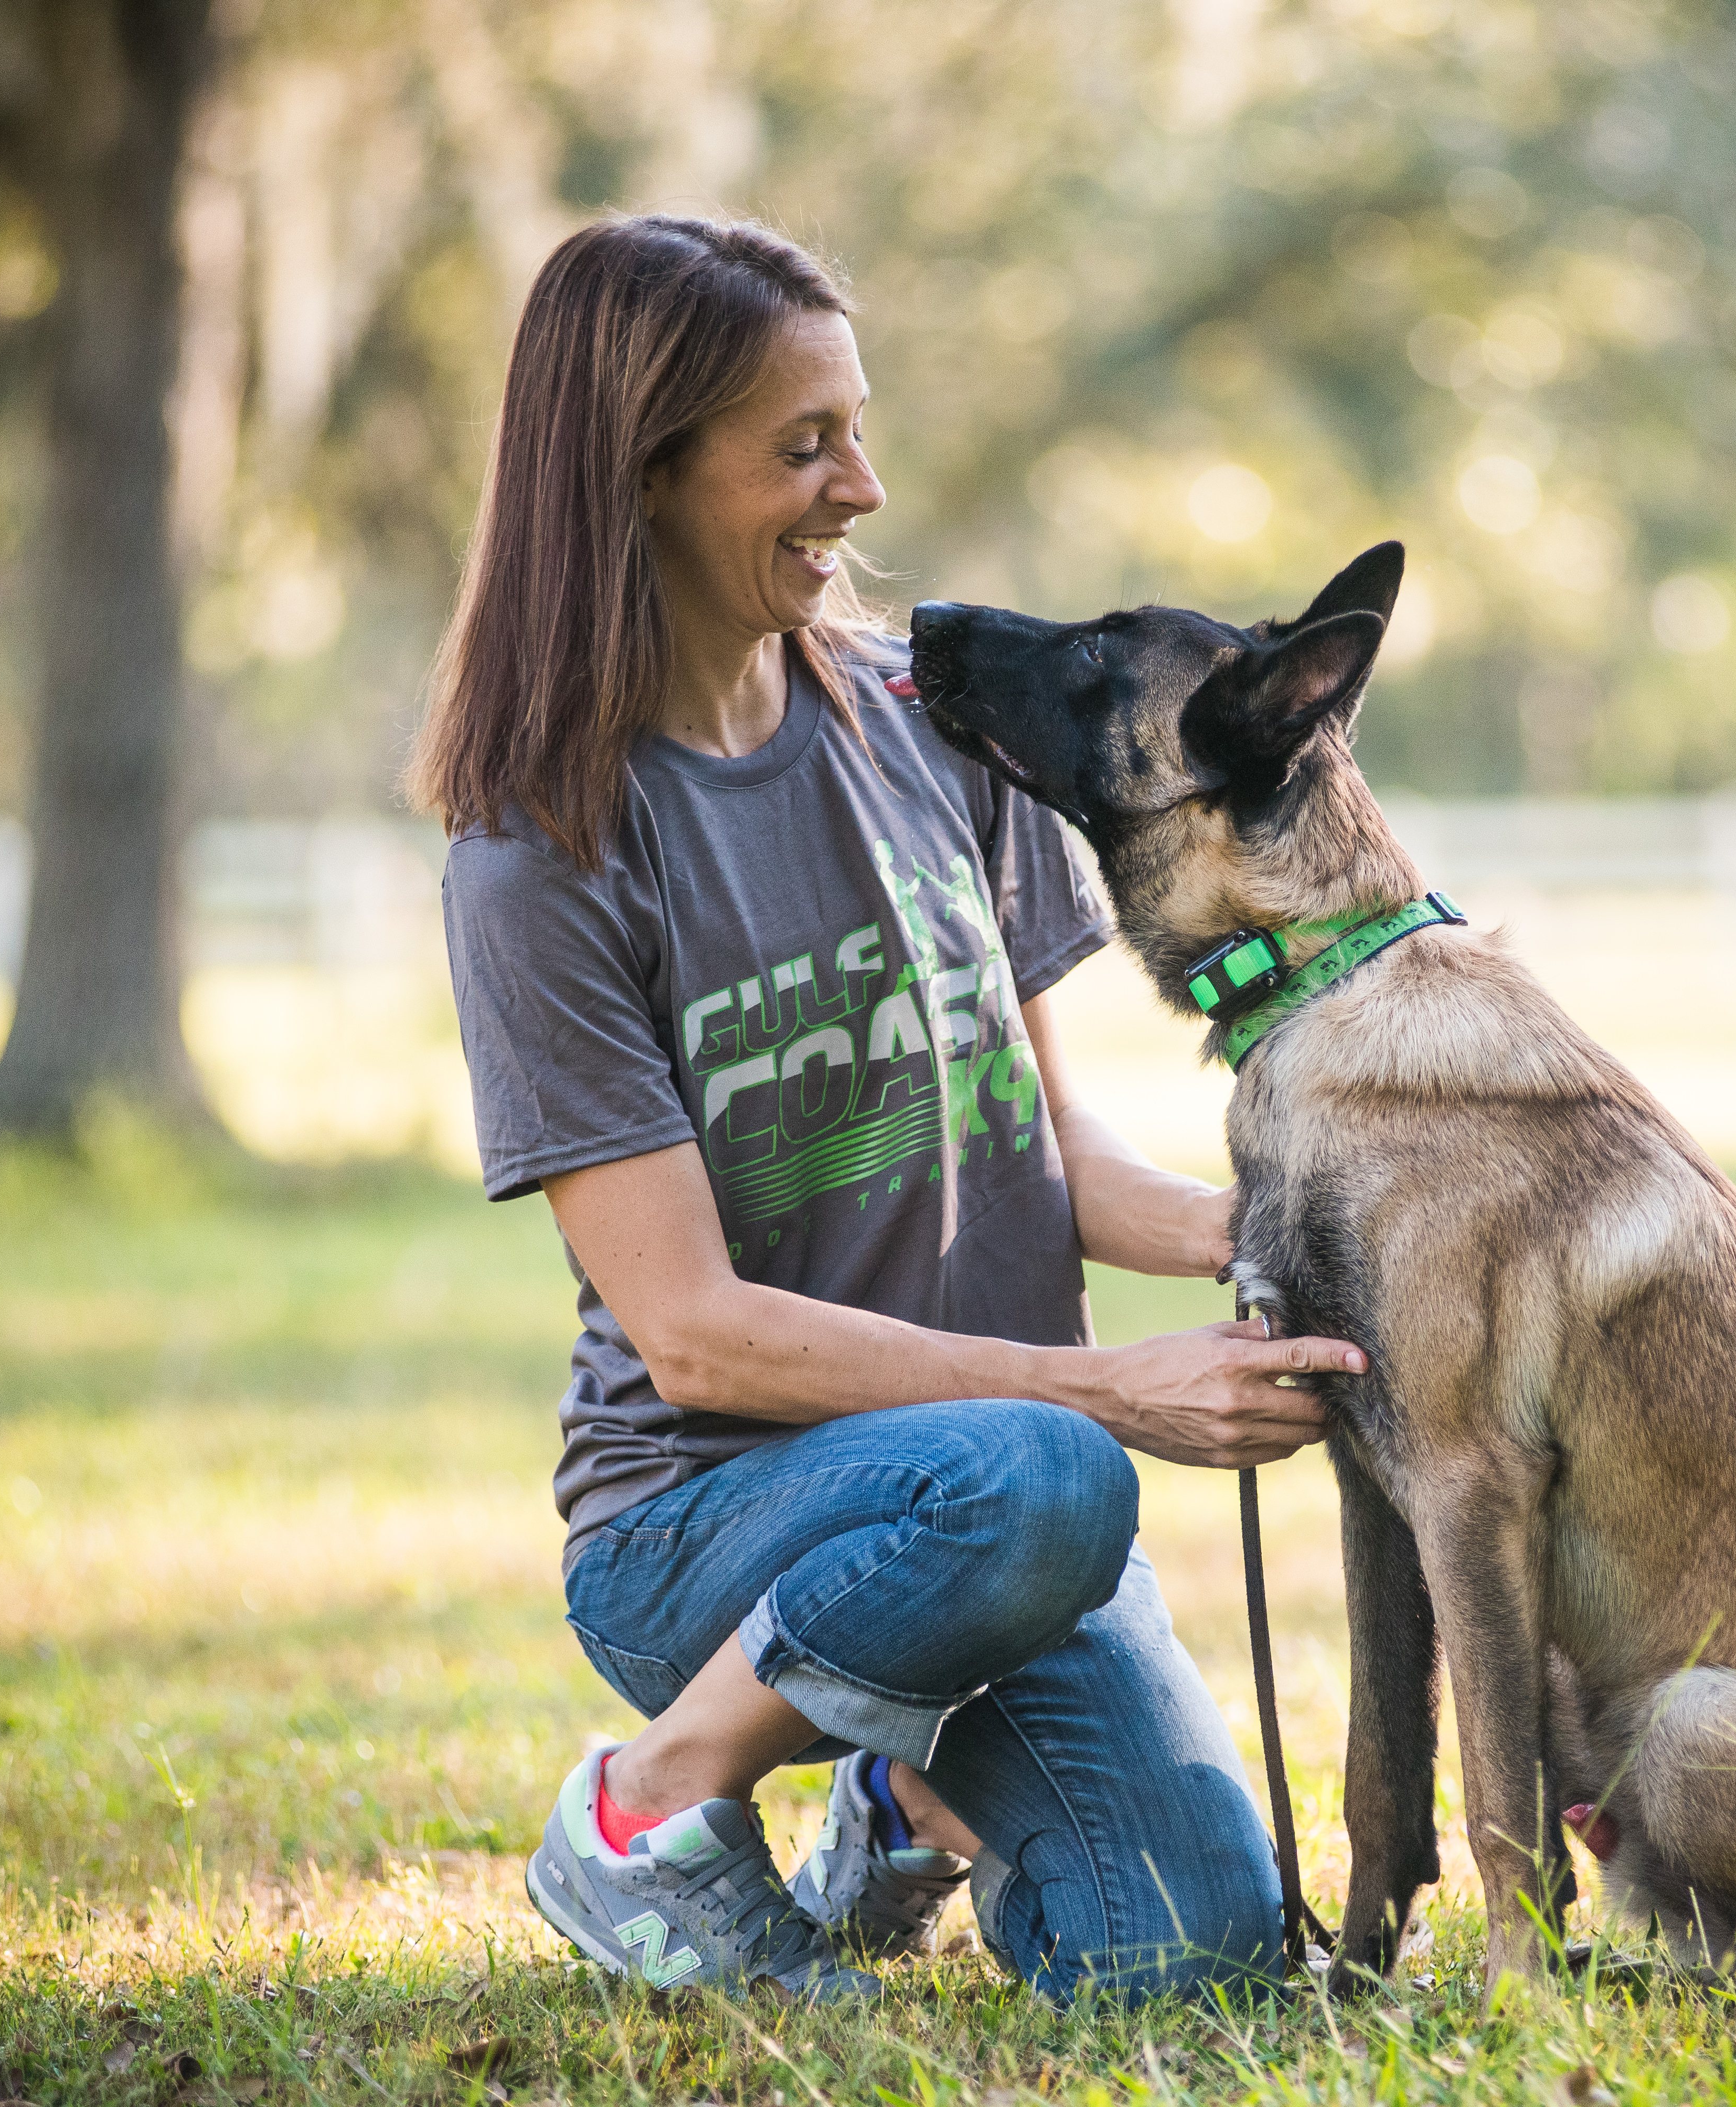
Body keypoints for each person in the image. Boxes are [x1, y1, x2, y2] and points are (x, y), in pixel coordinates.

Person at [408, 215, 1368, 2004]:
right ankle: (651, 1805)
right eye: (803, 445)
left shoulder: (931, 728)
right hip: (710, 1524)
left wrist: (1291, 1232)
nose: (862, 484)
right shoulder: (541, 855)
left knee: (1191, 1961)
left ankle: (894, 1798)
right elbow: (693, 1338)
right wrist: (1105, 1391)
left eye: (854, 426)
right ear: (647, 469)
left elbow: (1049, 1154)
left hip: (1003, 1499)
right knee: (1050, 1477)